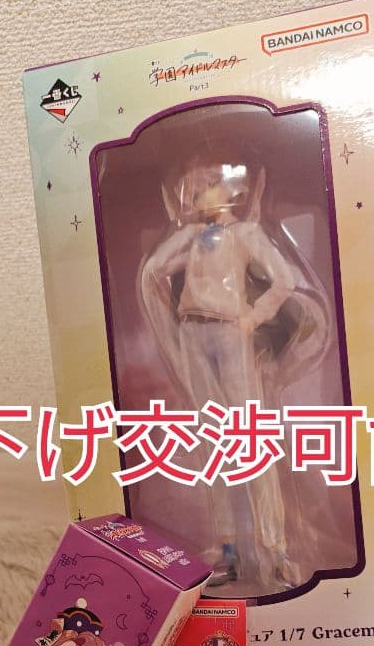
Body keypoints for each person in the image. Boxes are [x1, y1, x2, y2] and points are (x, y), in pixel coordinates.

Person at [141, 157, 329, 591]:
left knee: (250, 436)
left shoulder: (246, 234)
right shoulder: (193, 237)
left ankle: (275, 548)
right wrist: (184, 239)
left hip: (229, 332)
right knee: (213, 440)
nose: (197, 198)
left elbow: (283, 280)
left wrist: (253, 316)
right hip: (193, 332)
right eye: (193, 192)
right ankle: (229, 548)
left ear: (228, 192)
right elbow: (154, 269)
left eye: (205, 188)